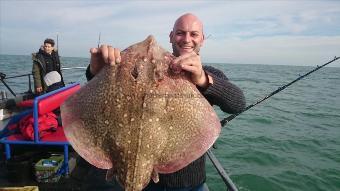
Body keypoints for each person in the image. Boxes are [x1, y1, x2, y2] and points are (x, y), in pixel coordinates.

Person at [85, 13, 246, 191]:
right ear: (171, 36)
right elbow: (96, 96)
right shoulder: (130, 71)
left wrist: (203, 80)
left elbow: (238, 104)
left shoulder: (208, 73)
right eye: (180, 33)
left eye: (193, 34)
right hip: (138, 177)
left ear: (202, 39)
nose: (186, 39)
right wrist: (97, 71)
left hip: (190, 184)